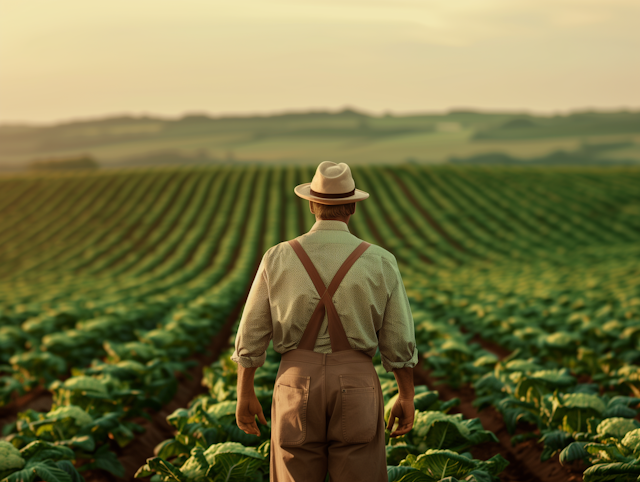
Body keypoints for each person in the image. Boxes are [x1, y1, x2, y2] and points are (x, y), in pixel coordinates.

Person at [231, 161, 418, 482]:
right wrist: (406, 395)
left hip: (295, 381)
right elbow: (398, 341)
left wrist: (244, 393)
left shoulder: (277, 257)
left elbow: (251, 334)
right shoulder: (381, 260)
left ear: (312, 205)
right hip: (357, 381)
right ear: (352, 208)